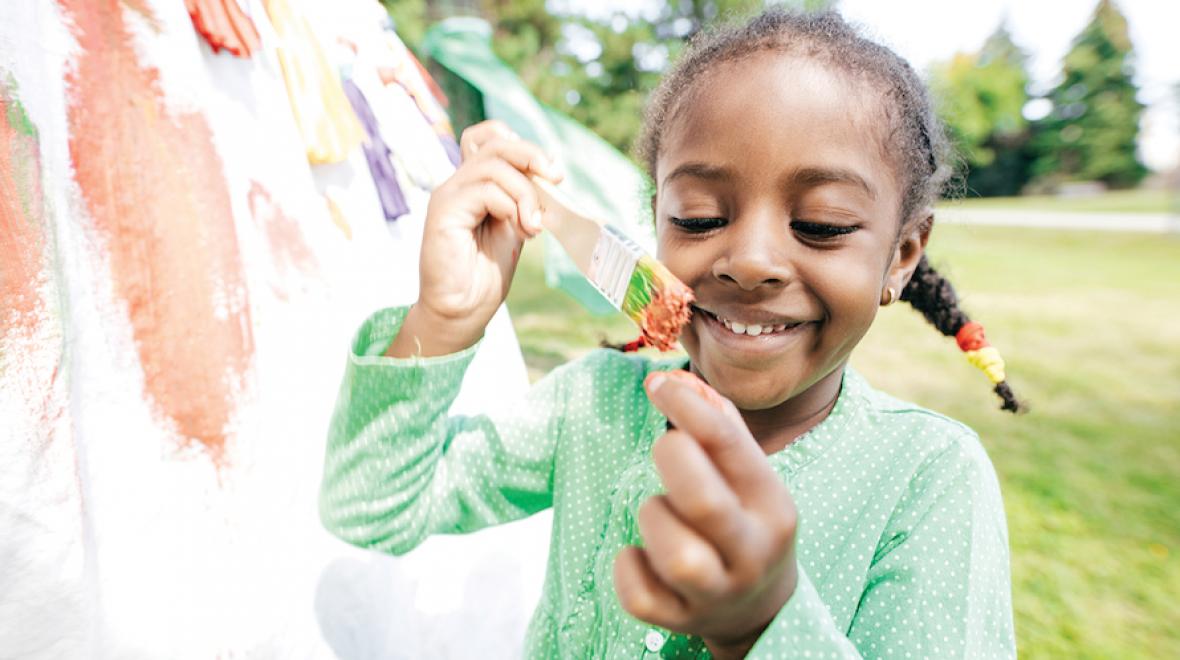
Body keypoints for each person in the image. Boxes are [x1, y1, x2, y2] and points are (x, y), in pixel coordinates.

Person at [319, 9, 1021, 659]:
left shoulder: (928, 480)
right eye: (699, 215)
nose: (748, 261)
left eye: (823, 225)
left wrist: (763, 624)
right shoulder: (592, 406)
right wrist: (442, 322)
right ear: (656, 221)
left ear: (900, 255)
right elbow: (371, 508)